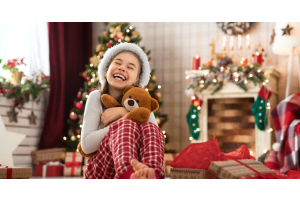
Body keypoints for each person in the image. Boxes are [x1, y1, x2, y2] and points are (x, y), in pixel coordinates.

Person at [81, 42, 165, 179]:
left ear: (137, 80)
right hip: (101, 170)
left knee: (150, 128)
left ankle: (151, 174)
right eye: (117, 63)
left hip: (139, 167)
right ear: (106, 69)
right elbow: (87, 145)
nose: (121, 68)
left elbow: (155, 137)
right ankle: (128, 175)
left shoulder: (141, 101)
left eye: (130, 67)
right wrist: (125, 119)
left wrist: (123, 112)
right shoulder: (96, 97)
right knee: (126, 125)